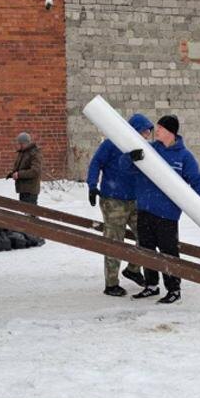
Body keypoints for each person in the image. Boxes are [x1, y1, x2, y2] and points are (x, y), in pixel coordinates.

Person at [120, 115, 200, 304]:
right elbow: (124, 168)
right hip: (145, 209)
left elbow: (197, 182)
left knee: (168, 252)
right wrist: (130, 158)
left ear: (171, 132)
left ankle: (174, 289)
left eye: (160, 129)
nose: (156, 131)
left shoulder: (184, 157)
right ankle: (151, 286)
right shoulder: (148, 150)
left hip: (167, 213)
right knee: (146, 250)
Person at [87, 114, 154, 296]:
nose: (148, 134)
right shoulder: (111, 144)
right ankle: (111, 284)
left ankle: (133, 269)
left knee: (145, 237)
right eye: (145, 130)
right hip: (113, 200)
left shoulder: (144, 148)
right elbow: (96, 163)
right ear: (135, 129)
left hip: (135, 200)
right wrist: (92, 186)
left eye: (149, 131)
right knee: (114, 241)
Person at [8, 132, 43, 204]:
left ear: (27, 143)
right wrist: (13, 174)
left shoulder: (34, 153)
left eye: (21, 144)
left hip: (30, 189)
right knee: (24, 212)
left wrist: (19, 174)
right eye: (19, 143)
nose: (20, 145)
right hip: (23, 189)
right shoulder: (22, 153)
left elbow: (35, 171)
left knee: (30, 212)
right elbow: (20, 167)